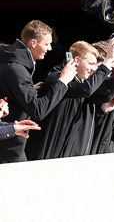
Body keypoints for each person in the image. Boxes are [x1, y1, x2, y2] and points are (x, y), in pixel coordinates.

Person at [0, 20, 77, 163]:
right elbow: (38, 110)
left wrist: (27, 90)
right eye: (47, 44)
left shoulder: (11, 62)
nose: (50, 49)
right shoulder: (17, 69)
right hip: (8, 148)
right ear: (33, 43)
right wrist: (63, 81)